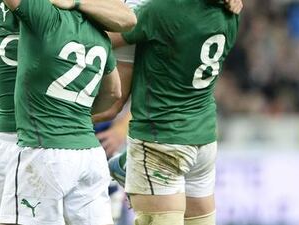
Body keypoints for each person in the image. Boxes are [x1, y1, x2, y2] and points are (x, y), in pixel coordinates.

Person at [0, 0, 135, 225]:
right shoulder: (95, 30)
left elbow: (128, 18)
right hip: (74, 146)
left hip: (36, 147)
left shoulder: (46, 15)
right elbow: (114, 93)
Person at [94, 0, 242, 224]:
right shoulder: (231, 12)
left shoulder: (164, 10)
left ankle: (128, 166)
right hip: (203, 140)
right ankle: (127, 165)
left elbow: (98, 39)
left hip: (160, 143)